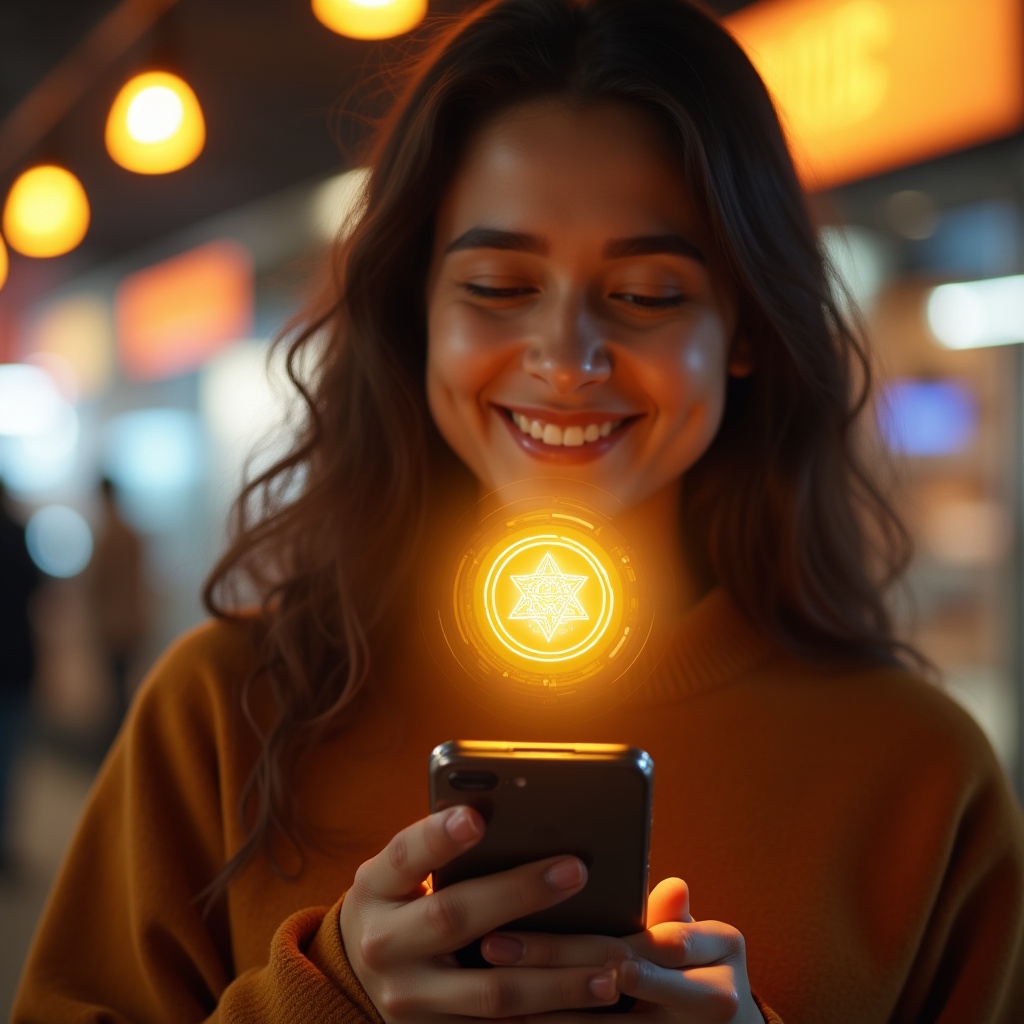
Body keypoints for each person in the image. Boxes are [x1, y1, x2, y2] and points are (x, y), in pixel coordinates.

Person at [13, 0, 1024, 1020]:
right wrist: (327, 996)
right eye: (497, 283)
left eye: (643, 293)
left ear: (746, 327)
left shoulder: (914, 774)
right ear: (416, 314)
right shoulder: (230, 714)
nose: (565, 358)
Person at [82, 475, 149, 752]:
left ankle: (117, 748)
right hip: (132, 621)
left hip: (112, 625)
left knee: (115, 690)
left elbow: (95, 585)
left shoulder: (108, 536)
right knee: (122, 685)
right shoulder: (131, 534)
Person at [0, 478, 42, 876]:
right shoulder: (15, 531)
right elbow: (35, 586)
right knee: (8, 758)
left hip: (13, 662)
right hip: (13, 661)